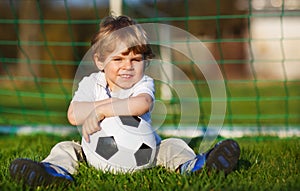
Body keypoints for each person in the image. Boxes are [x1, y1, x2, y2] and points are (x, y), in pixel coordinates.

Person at [9, 15, 240, 187]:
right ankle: (54, 173)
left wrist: (101, 111)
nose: (127, 66)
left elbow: (142, 104)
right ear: (99, 61)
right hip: (93, 153)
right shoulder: (92, 83)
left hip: (147, 153)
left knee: (173, 145)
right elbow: (73, 114)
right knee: (66, 148)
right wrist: (97, 109)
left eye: (135, 59)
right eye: (118, 58)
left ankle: (196, 167)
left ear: (145, 62)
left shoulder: (144, 83)